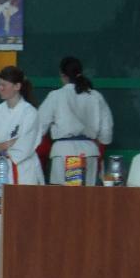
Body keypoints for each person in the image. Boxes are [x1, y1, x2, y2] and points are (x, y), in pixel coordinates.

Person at [38, 57, 113, 185]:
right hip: (89, 152)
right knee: (86, 195)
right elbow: (106, 132)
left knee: (66, 195)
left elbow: (39, 127)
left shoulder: (56, 96)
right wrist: (100, 143)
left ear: (62, 75)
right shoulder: (95, 96)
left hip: (64, 152)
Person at [0, 65, 43, 186]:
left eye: (4, 85)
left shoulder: (30, 113)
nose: (0, 88)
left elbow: (23, 148)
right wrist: (7, 144)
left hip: (24, 172)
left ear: (17, 86)